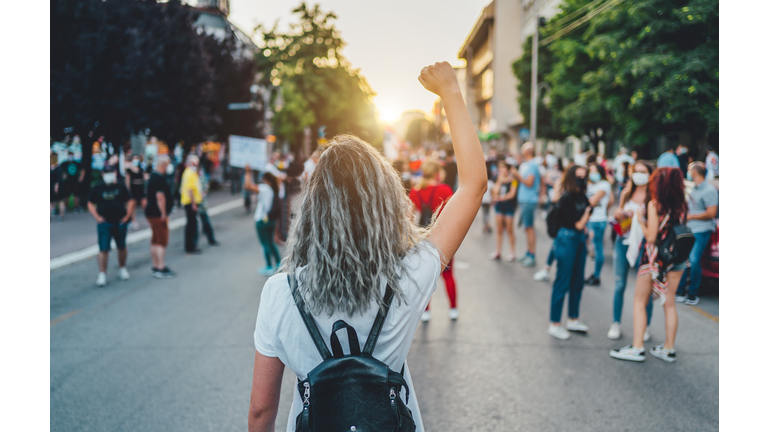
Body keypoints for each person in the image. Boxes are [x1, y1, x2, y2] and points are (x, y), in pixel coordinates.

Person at [248, 62, 486, 432]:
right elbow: (473, 186)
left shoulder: (280, 293)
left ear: (313, 209)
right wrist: (451, 94)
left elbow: (261, 412)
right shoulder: (409, 274)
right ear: (386, 203)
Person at [610, 167, 688, 363]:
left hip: (655, 259)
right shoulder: (682, 205)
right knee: (669, 303)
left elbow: (651, 237)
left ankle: (637, 348)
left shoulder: (655, 205)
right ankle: (668, 349)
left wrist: (640, 221)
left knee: (639, 302)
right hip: (676, 258)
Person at [608, 161, 654, 340]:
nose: (639, 175)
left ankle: (646, 326)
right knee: (619, 285)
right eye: (636, 171)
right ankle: (615, 323)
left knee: (645, 289)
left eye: (643, 172)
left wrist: (641, 219)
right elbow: (618, 214)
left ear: (650, 175)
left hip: (644, 246)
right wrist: (618, 214)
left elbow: (655, 225)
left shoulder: (652, 197)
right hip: (623, 241)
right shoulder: (627, 193)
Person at [408, 159, 458, 321]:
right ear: (437, 173)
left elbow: (409, 219)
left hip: (423, 239)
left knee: (425, 277)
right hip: (444, 237)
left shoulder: (415, 192)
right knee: (448, 275)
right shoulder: (445, 189)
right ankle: (453, 309)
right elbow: (454, 216)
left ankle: (426, 311)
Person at [548, 165, 592, 340]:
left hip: (579, 239)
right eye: (579, 176)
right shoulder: (565, 198)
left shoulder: (581, 195)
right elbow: (579, 223)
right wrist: (587, 216)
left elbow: (585, 216)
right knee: (563, 281)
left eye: (584, 176)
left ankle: (573, 319)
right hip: (567, 239)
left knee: (578, 281)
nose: (582, 179)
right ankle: (555, 323)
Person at [675, 162, 718, 305]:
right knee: (683, 260)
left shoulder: (709, 190)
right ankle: (680, 292)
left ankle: (693, 294)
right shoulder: (695, 189)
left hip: (701, 230)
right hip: (689, 229)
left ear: (694, 172)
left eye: (689, 170)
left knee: (694, 260)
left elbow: (711, 213)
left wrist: (692, 217)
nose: (688, 173)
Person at [87, 166, 134, 287]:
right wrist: (97, 217)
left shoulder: (121, 186)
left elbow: (130, 201)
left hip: (119, 221)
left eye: (111, 172)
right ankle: (102, 273)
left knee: (122, 246)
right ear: (103, 174)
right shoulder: (98, 187)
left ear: (115, 173)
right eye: (107, 172)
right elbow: (90, 203)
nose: (109, 175)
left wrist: (127, 216)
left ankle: (122, 268)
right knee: (103, 249)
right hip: (105, 222)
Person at [243, 166, 281, 276]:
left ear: (266, 180)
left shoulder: (264, 189)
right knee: (270, 242)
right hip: (271, 219)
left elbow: (248, 186)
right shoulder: (274, 190)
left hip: (261, 220)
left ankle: (269, 265)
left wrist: (247, 171)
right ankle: (278, 263)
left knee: (265, 243)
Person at [144, 155, 176, 278]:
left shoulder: (153, 177)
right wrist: (164, 214)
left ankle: (155, 265)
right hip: (157, 214)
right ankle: (160, 267)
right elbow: (160, 197)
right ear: (163, 165)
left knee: (155, 240)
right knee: (161, 240)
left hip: (151, 212)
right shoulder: (159, 179)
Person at [510, 142, 541, 267]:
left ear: (528, 151)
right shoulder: (527, 164)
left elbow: (529, 183)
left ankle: (532, 255)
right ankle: (528, 253)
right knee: (527, 228)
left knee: (529, 228)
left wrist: (517, 175)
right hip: (524, 199)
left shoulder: (532, 165)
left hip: (529, 200)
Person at [584, 163, 612, 286]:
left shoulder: (604, 185)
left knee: (598, 247)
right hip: (590, 219)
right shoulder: (590, 185)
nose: (593, 173)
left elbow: (592, 202)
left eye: (595, 170)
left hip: (598, 220)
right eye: (591, 171)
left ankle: (596, 275)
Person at [489, 160, 518, 261]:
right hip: (499, 206)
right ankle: (498, 251)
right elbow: (495, 191)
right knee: (499, 229)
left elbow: (512, 194)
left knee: (510, 229)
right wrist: (500, 181)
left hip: (509, 206)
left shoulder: (513, 180)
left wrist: (501, 198)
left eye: (503, 169)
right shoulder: (499, 179)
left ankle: (512, 252)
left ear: (508, 169)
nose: (501, 171)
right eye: (500, 169)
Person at [180, 155, 203, 254]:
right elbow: (190, 190)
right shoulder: (189, 173)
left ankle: (191, 245)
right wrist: (194, 203)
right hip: (190, 202)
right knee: (191, 224)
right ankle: (190, 246)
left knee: (192, 224)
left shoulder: (191, 173)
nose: (196, 165)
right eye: (194, 163)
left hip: (191, 202)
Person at [196, 161, 220, 247]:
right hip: (198, 204)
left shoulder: (201, 178)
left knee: (205, 222)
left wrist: (199, 197)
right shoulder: (195, 177)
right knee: (202, 223)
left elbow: (205, 189)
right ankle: (209, 239)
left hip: (201, 204)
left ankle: (211, 239)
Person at [58, 151, 85, 218]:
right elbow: (59, 169)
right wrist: (63, 175)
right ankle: (66, 208)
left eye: (71, 155)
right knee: (66, 195)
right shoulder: (64, 163)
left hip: (75, 181)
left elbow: (83, 169)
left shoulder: (76, 163)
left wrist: (81, 177)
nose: (70, 156)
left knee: (76, 195)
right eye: (69, 155)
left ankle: (77, 208)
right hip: (67, 182)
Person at [126, 154, 145, 230]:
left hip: (140, 187)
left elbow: (144, 178)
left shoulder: (141, 169)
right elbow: (127, 181)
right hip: (133, 188)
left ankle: (149, 219)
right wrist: (128, 190)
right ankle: (133, 221)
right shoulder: (129, 170)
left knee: (144, 203)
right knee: (132, 205)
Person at [480, 164, 494, 234]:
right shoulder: (491, 183)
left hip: (483, 200)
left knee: (484, 213)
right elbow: (492, 192)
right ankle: (488, 224)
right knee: (487, 213)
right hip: (488, 200)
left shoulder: (481, 182)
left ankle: (485, 226)